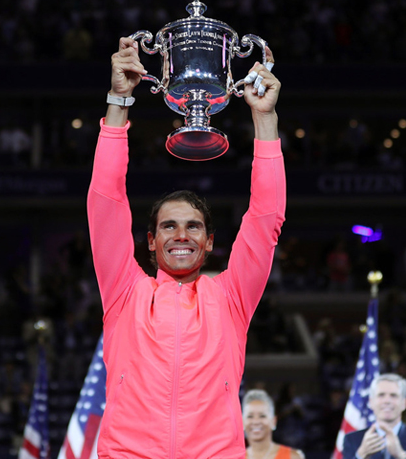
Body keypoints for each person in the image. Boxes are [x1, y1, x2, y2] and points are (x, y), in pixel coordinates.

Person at [87, 37, 284, 459]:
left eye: (193, 227)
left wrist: (264, 118)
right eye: (169, 226)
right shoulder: (124, 292)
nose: (181, 235)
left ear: (210, 242)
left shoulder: (231, 298)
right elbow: (105, 200)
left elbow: (265, 218)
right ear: (151, 240)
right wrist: (119, 101)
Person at [342, 374, 406, 459]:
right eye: (381, 395)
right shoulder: (352, 440)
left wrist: (402, 456)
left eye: (393, 395)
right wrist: (360, 455)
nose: (387, 401)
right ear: (371, 402)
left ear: (404, 403)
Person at [243, 389, 304, 459]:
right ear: (242, 422)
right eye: (250, 416)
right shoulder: (236, 457)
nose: (256, 421)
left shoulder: (293, 456)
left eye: (262, 416)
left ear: (273, 421)